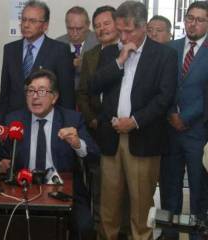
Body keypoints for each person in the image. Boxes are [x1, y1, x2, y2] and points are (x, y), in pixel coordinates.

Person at [89, 1, 178, 239]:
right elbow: (94, 84)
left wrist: (135, 121)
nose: (124, 35)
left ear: (144, 27)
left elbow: (164, 97)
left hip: (143, 139)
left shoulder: (165, 55)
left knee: (141, 211)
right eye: (120, 30)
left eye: (129, 30)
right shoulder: (110, 52)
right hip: (111, 140)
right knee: (108, 208)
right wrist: (120, 60)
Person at [0, 69, 99, 240]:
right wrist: (2, 161)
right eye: (31, 91)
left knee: (85, 226)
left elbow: (94, 156)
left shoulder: (72, 119)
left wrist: (77, 143)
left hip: (63, 190)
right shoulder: (13, 120)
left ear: (54, 97)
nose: (35, 96)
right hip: (23, 189)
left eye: (42, 91)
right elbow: (1, 154)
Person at [160, 2, 208, 240]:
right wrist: (171, 114)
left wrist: (186, 118)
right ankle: (169, 234)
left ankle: (197, 236)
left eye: (200, 19)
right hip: (170, 131)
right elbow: (162, 86)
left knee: (199, 190)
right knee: (169, 187)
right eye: (190, 18)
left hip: (198, 132)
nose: (193, 23)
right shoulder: (171, 48)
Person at [76, 5, 119, 234]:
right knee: (98, 183)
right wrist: (91, 119)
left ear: (118, 23)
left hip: (125, 128)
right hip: (96, 129)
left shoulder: (129, 52)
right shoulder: (90, 55)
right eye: (98, 25)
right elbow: (82, 92)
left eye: (107, 23)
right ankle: (99, 229)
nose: (102, 29)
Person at [0, 0, 75, 117]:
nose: (26, 25)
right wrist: (1, 121)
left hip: (47, 119)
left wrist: (67, 123)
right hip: (15, 120)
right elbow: (5, 92)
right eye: (23, 19)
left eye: (32, 21)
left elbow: (66, 94)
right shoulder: (10, 49)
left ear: (45, 25)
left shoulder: (60, 50)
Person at [56, 6, 98, 90]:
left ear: (88, 25)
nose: (75, 33)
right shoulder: (57, 44)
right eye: (70, 28)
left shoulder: (98, 41)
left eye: (79, 28)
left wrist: (85, 65)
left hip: (92, 96)